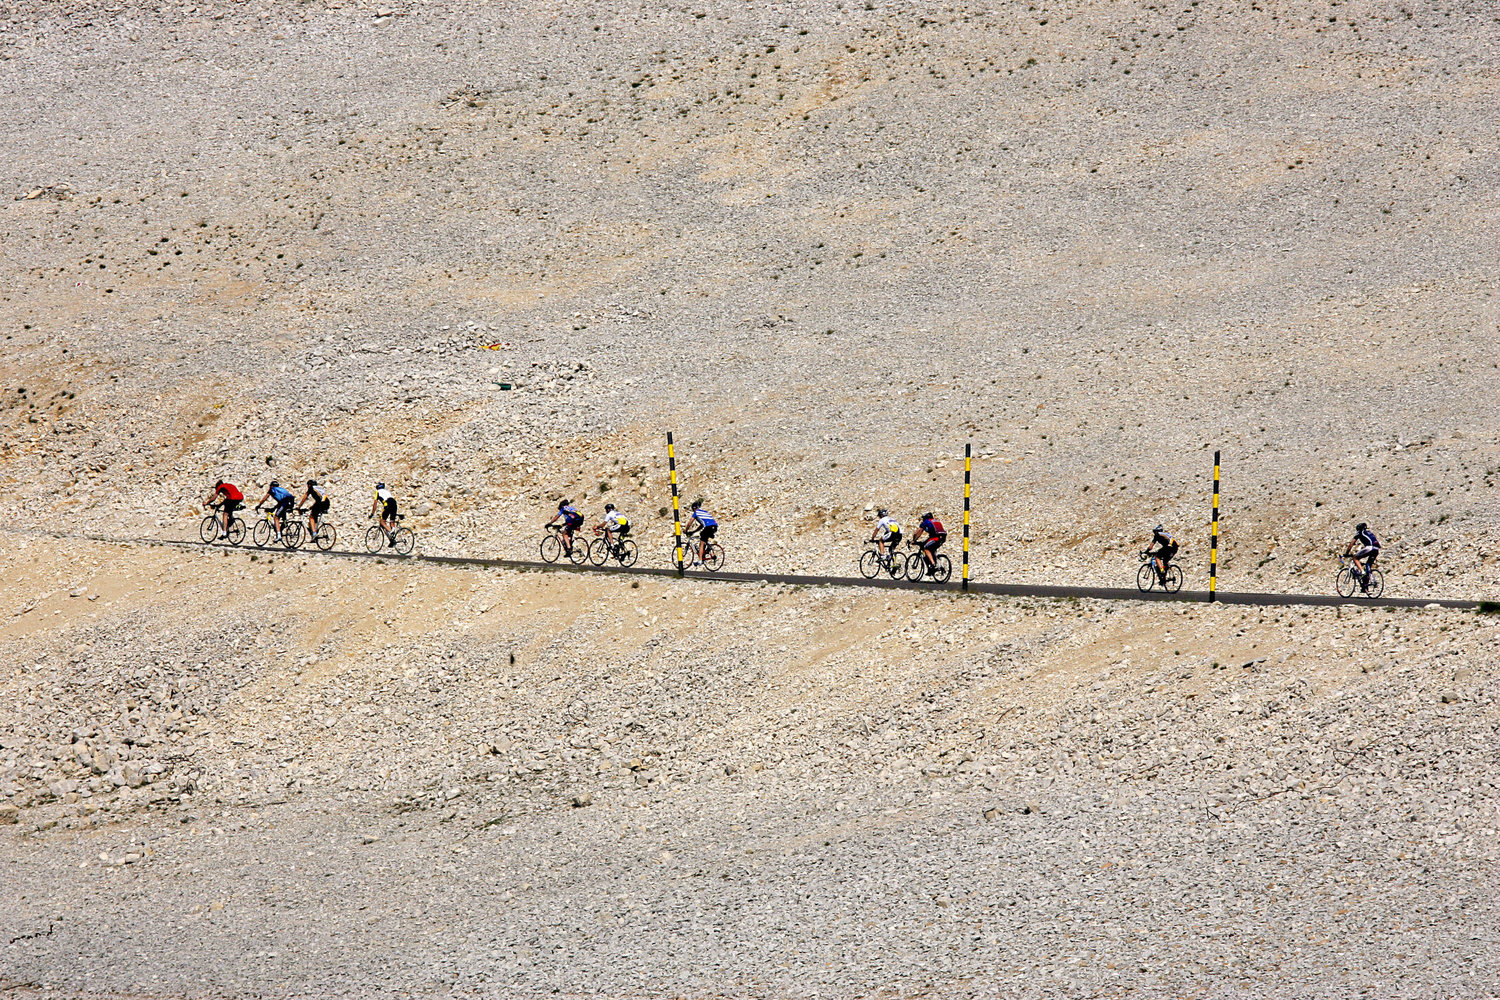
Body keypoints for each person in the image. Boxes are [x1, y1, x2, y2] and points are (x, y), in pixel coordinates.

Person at [1344, 522, 1381, 590]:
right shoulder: (1369, 533)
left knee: (1355, 558)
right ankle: (1365, 587)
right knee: (1368, 566)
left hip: (1369, 547)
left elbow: (1351, 544)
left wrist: (1346, 553)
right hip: (1376, 549)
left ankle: (1362, 571)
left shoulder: (1359, 533)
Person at [684, 500, 717, 565]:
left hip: (708, 527)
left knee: (701, 543)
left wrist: (686, 530)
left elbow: (689, 523)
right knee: (703, 536)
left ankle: (700, 560)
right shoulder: (704, 512)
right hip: (714, 526)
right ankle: (706, 552)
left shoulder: (696, 513)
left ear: (694, 508)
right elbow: (702, 525)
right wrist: (694, 531)